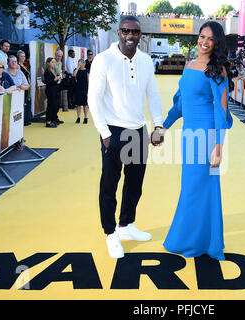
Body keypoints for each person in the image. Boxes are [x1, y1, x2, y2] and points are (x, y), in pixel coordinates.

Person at [88, 15, 164, 259]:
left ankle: (126, 225)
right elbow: (93, 98)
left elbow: (152, 95)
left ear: (141, 35)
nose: (130, 36)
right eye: (125, 31)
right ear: (118, 33)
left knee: (135, 184)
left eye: (135, 32)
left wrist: (158, 125)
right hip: (113, 131)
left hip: (139, 130)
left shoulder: (145, 60)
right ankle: (111, 233)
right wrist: (104, 133)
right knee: (110, 184)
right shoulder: (104, 60)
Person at [162, 21, 233, 261]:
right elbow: (181, 103)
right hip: (188, 136)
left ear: (217, 43)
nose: (204, 42)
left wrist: (218, 148)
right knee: (192, 188)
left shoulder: (218, 70)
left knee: (196, 189)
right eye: (201, 36)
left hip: (206, 138)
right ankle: (198, 239)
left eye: (210, 39)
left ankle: (194, 241)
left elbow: (221, 112)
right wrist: (164, 126)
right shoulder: (190, 65)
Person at [43, 57, 62, 128]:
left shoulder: (53, 70)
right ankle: (48, 122)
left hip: (55, 89)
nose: (54, 64)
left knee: (56, 105)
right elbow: (48, 82)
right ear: (48, 63)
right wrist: (55, 79)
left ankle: (53, 119)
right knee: (50, 106)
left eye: (54, 62)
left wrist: (57, 79)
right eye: (52, 62)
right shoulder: (47, 71)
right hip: (50, 90)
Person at [17, 50, 32, 126]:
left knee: (26, 101)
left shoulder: (25, 66)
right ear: (18, 57)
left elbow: (28, 75)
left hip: (27, 85)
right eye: (21, 56)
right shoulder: (18, 66)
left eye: (24, 56)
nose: (23, 58)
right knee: (23, 102)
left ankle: (26, 118)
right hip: (22, 86)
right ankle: (23, 120)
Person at [73, 59, 89, 123]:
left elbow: (89, 80)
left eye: (80, 63)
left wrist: (89, 90)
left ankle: (85, 117)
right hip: (78, 88)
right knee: (78, 104)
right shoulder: (76, 70)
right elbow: (74, 75)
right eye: (78, 63)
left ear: (83, 63)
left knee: (85, 104)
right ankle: (78, 117)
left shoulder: (87, 70)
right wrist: (77, 68)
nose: (79, 64)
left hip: (85, 88)